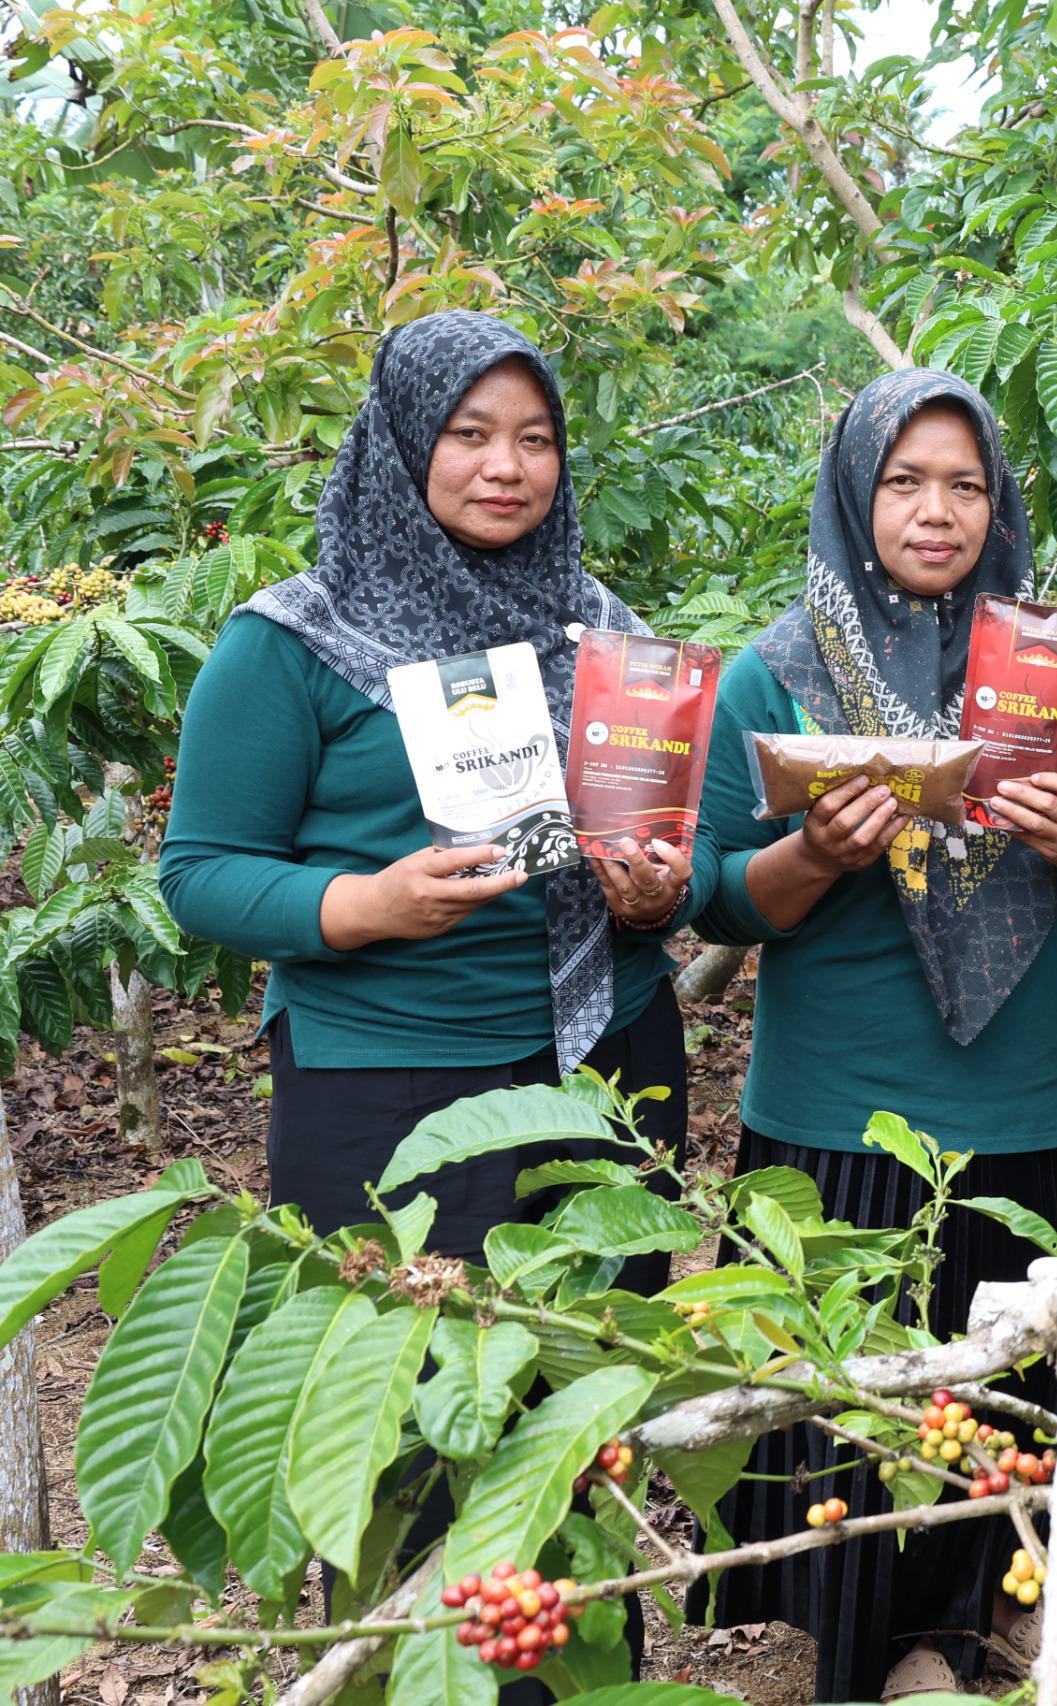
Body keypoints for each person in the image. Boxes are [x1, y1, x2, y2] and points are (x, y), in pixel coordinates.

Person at [160, 309, 697, 1688]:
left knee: (581, 1409)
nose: (505, 467)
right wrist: (364, 906)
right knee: (409, 1429)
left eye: (534, 439)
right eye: (468, 434)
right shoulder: (293, 643)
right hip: (388, 1095)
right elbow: (203, 873)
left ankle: (580, 1670)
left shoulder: (606, 633)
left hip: (600, 1068)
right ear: (402, 446)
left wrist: (655, 893)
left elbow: (662, 846)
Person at [690, 368, 1057, 1702]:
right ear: (856, 494)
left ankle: (950, 1641)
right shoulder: (774, 670)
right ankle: (846, 1652)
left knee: (990, 1391)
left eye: (965, 482)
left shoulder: (1051, 662)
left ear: (996, 501)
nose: (937, 509)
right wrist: (814, 857)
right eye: (905, 481)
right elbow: (717, 888)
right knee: (848, 1393)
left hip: (1020, 1094)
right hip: (837, 1095)